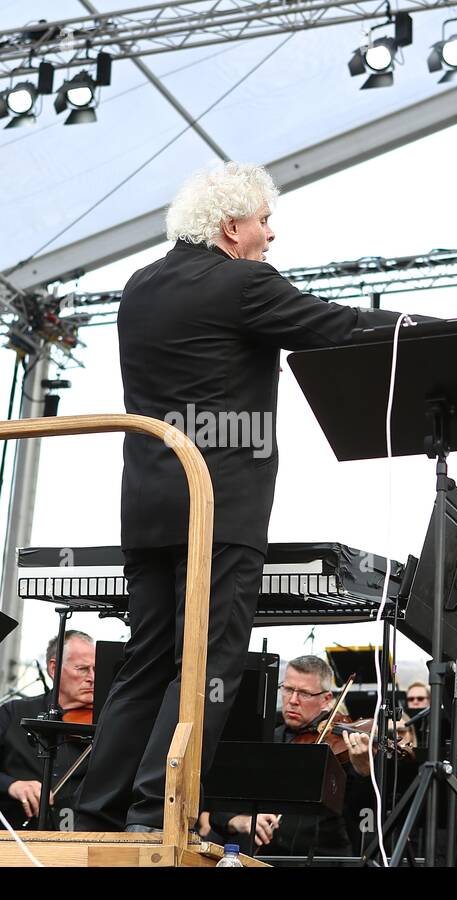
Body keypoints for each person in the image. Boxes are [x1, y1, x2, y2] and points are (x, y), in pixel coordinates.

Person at [75, 162, 403, 833]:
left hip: (146, 506)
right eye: (262, 222)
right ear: (231, 227)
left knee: (147, 659)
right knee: (212, 660)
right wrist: (423, 327)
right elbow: (331, 326)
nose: (271, 236)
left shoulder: (138, 288)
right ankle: (152, 809)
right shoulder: (243, 283)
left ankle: (96, 810)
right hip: (219, 508)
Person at [202, 655, 373, 857]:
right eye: (288, 689)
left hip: (322, 856)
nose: (292, 700)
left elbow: (361, 811)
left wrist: (364, 771)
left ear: (326, 699)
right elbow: (219, 808)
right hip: (260, 856)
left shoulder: (341, 745)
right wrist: (241, 821)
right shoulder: (263, 738)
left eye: (304, 694)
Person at [0, 631, 95, 828]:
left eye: (95, 669)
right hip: (9, 832)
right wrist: (12, 786)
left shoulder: (105, 723)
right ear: (54, 668)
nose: (92, 677)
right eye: (82, 669)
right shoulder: (14, 712)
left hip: (79, 835)